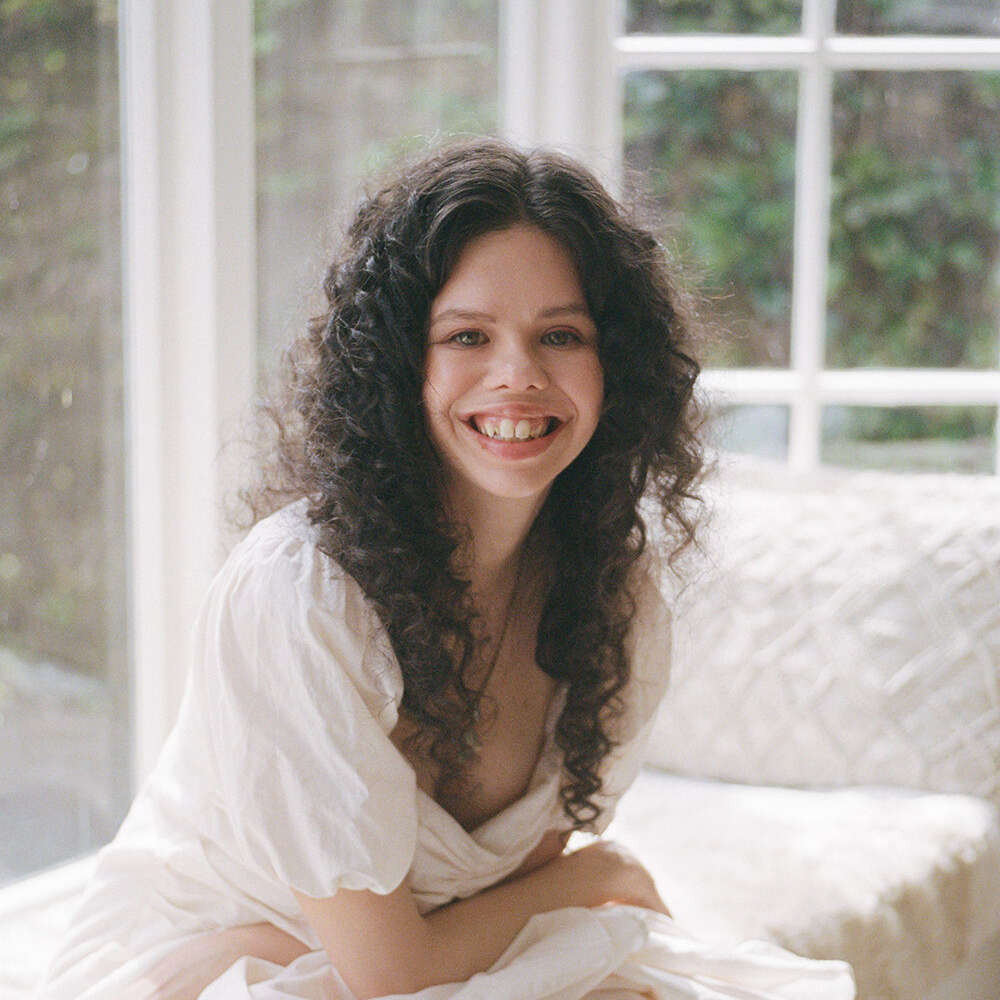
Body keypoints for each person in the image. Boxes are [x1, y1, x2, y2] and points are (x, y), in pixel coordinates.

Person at [38, 139, 853, 1000]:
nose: (519, 376)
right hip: (217, 965)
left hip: (417, 962)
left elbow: (489, 905)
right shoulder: (299, 594)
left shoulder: (612, 593)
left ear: (617, 367)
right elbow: (394, 973)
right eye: (467, 335)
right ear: (399, 366)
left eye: (562, 335)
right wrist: (596, 874)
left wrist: (570, 901)